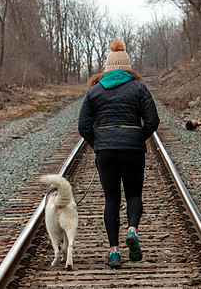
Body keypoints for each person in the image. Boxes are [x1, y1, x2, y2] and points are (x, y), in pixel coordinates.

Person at [78, 40, 160, 268]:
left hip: (106, 153)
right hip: (132, 151)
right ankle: (132, 230)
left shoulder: (94, 91)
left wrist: (98, 143)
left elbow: (83, 126)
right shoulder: (139, 88)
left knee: (111, 199)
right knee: (134, 195)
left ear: (107, 67)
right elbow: (153, 121)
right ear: (128, 67)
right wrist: (137, 137)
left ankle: (114, 251)